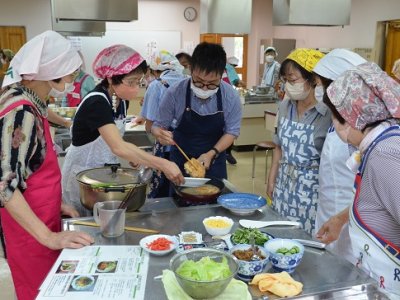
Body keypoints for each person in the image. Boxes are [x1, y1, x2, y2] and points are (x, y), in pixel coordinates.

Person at [0, 30, 94, 300]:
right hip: (30, 232)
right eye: (70, 73)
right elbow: (5, 186)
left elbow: (32, 165)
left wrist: (56, 203)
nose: (73, 79)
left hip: (42, 216)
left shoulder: (27, 97)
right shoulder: (21, 112)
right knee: (39, 291)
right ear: (53, 73)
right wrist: (49, 238)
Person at [62, 45, 184, 216]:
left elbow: (113, 139)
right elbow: (118, 146)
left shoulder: (120, 100)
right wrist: (162, 164)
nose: (136, 89)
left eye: (139, 82)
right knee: (85, 221)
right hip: (83, 177)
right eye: (131, 82)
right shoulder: (97, 102)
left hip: (102, 175)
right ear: (111, 79)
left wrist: (134, 155)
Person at [318, 62, 400, 296]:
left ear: (351, 117)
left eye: (335, 118)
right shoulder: (376, 145)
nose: (333, 125)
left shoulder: (386, 154)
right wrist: (342, 218)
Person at [152, 42, 242, 181]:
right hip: (180, 162)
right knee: (179, 200)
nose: (205, 88)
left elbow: (232, 132)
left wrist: (212, 153)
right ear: (191, 69)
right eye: (199, 81)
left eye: (212, 83)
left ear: (222, 74)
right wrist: (159, 133)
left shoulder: (230, 96)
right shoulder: (175, 92)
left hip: (214, 160)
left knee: (214, 199)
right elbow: (158, 125)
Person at [266, 48, 330, 235]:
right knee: (280, 234)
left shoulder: (326, 114)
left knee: (306, 238)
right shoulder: (285, 106)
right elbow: (279, 146)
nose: (288, 85)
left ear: (313, 80)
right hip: (284, 182)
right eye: (285, 80)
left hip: (312, 189)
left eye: (293, 80)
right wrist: (272, 179)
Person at [312, 49, 367, 263]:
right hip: (328, 210)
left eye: (321, 85)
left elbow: (370, 190)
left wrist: (342, 218)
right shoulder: (339, 117)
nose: (318, 90)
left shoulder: (364, 126)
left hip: (351, 218)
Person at [140, 50, 186, 198]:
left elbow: (149, 125)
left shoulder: (156, 85)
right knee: (184, 189)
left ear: (155, 70)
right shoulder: (189, 81)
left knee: (165, 192)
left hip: (166, 147)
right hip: (189, 147)